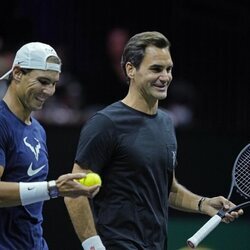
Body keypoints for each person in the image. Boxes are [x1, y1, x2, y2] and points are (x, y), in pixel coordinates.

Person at [64, 32, 243, 250]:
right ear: (131, 70)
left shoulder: (166, 123)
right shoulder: (105, 123)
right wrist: (93, 247)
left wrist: (204, 204)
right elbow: (74, 192)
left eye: (169, 69)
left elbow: (168, 188)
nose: (165, 77)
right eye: (156, 69)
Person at [0, 42, 100, 249]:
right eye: (43, 81)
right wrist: (54, 189)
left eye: (54, 83)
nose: (49, 91)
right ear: (17, 73)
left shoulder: (38, 130)